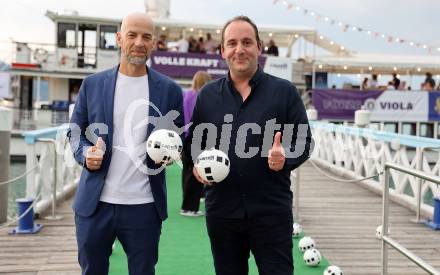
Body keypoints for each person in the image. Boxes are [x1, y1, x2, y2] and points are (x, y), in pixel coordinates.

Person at [184, 15, 313, 275]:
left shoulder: (284, 92)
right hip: (222, 212)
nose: (239, 49)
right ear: (222, 51)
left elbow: (304, 141)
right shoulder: (208, 96)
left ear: (259, 47)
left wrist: (284, 157)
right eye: (231, 43)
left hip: (271, 211)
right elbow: (194, 145)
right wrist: (197, 167)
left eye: (246, 42)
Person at [68, 12, 183, 275]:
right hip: (95, 206)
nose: (139, 42)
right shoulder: (92, 85)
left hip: (144, 206)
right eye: (132, 35)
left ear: (154, 43)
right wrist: (86, 153)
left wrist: (170, 152)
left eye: (146, 37)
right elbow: (76, 132)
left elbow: (178, 140)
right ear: (120, 38)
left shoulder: (169, 91)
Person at [181, 71, 212, 217]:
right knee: (197, 171)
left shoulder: (187, 95)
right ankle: (190, 207)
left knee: (187, 171)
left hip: (186, 136)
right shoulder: (203, 97)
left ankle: (187, 204)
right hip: (198, 136)